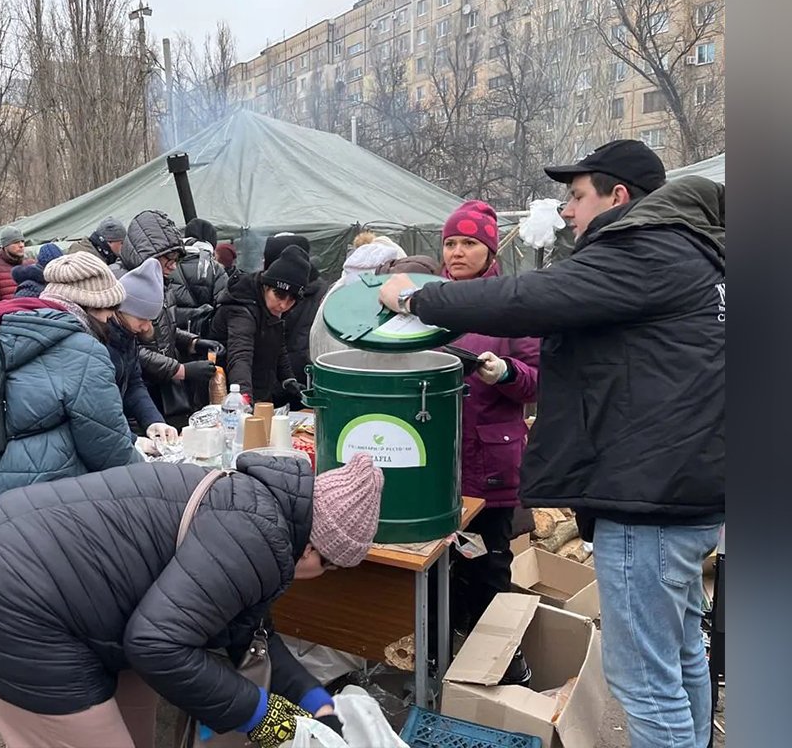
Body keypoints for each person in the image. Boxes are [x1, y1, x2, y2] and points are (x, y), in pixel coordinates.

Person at [379, 140, 725, 748]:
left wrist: (414, 297)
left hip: (645, 497)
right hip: (687, 488)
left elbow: (525, 298)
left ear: (618, 197)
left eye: (576, 194)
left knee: (645, 683)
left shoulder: (644, 246)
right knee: (678, 660)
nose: (566, 210)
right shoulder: (698, 254)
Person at [0, 452, 383, 748]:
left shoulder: (259, 508)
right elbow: (156, 648)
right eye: (328, 567)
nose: (318, 577)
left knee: (136, 721)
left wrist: (314, 700)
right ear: (313, 547)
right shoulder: (260, 538)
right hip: (10, 605)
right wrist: (268, 719)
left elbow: (250, 630)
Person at [430, 202, 541, 676]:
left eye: (469, 243)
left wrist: (505, 372)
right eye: (451, 243)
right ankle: (441, 654)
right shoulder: (427, 300)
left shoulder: (512, 305)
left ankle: (499, 663)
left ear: (489, 249)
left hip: (490, 464)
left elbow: (540, 380)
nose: (457, 252)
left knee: (490, 564)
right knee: (439, 562)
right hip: (435, 460)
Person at [0, 252, 140, 513]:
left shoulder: (14, 329)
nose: (111, 318)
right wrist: (150, 472)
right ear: (88, 306)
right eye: (110, 308)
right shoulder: (84, 351)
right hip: (41, 503)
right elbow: (109, 449)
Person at [114, 210, 218, 424]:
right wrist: (179, 370)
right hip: (137, 393)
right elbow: (129, 346)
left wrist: (193, 342)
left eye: (176, 259)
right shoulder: (119, 285)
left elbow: (164, 327)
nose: (173, 265)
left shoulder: (164, 283)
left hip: (163, 392)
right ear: (147, 256)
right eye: (167, 259)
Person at [210, 244, 311, 408]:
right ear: (266, 286)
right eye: (279, 295)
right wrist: (244, 400)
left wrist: (288, 379)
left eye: (292, 300)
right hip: (225, 394)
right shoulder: (242, 309)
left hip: (259, 390)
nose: (283, 305)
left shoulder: (270, 307)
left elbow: (278, 344)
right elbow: (240, 356)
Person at [109, 258, 180, 441]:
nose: (146, 327)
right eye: (142, 319)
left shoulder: (127, 335)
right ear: (121, 310)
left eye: (151, 320)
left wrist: (154, 421)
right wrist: (131, 440)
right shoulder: (102, 341)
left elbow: (134, 383)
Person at [263, 235, 325, 387]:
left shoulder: (309, 295)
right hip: (296, 379)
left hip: (294, 380)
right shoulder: (320, 290)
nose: (284, 305)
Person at [170, 218, 228, 337]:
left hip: (172, 333)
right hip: (204, 336)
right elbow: (223, 307)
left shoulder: (169, 263)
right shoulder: (214, 268)